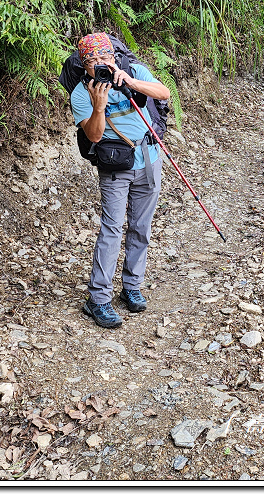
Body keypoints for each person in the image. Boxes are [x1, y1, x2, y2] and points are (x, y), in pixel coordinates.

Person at [70, 32, 171, 328]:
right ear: (84, 65)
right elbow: (94, 136)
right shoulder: (80, 93)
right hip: (115, 163)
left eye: (106, 58)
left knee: (141, 225)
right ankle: (98, 299)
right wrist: (99, 105)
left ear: (114, 56)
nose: (101, 64)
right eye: (93, 60)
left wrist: (129, 81)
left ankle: (131, 287)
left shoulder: (134, 70)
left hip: (150, 157)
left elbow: (163, 93)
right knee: (112, 229)